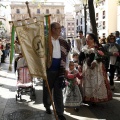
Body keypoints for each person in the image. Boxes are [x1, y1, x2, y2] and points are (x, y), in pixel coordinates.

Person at [43, 22, 70, 120]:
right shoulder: (46, 41)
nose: (60, 30)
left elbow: (67, 55)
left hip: (60, 70)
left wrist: (66, 68)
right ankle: (47, 106)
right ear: (53, 29)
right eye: (59, 28)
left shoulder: (63, 41)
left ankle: (60, 112)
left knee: (58, 92)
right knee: (47, 90)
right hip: (48, 70)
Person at [79, 33, 112, 103]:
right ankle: (88, 97)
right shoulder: (85, 47)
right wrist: (79, 64)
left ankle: (95, 98)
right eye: (86, 39)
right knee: (88, 82)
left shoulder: (98, 47)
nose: (87, 40)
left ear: (93, 39)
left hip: (97, 68)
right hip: (87, 68)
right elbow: (80, 57)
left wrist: (96, 61)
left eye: (88, 39)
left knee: (96, 82)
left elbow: (104, 56)